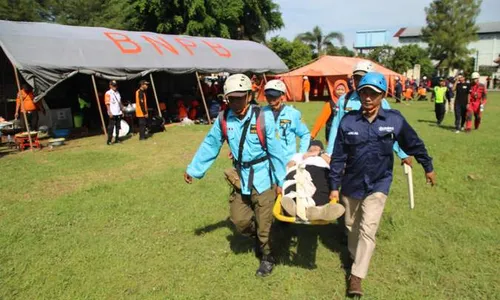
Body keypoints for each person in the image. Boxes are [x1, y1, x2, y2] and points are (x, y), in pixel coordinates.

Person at [329, 72, 436, 296]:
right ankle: (353, 255)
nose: (368, 98)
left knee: (368, 229)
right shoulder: (348, 121)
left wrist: (428, 166)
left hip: (379, 183)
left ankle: (356, 277)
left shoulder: (394, 120)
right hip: (351, 183)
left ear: (382, 96)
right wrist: (333, 187)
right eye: (364, 93)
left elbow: (413, 142)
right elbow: (338, 157)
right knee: (351, 226)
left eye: (373, 94)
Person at [184, 74, 286, 277]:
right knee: (240, 221)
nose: (236, 102)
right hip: (240, 177)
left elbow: (276, 152)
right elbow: (211, 144)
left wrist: (281, 182)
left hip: (263, 177)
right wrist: (194, 169)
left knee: (264, 224)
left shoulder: (263, 118)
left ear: (249, 96)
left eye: (240, 97)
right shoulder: (224, 118)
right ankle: (260, 235)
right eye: (231, 98)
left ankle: (267, 256)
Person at [326, 61, 413, 169]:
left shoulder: (382, 103)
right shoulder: (344, 100)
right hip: (349, 155)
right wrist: (330, 152)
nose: (359, 82)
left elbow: (390, 131)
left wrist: (403, 154)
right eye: (356, 78)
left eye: (363, 78)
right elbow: (336, 126)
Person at [281, 140, 345, 222]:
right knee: (296, 183)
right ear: (308, 148)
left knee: (322, 185)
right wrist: (294, 162)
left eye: (317, 146)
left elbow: (335, 165)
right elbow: (289, 166)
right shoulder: (299, 155)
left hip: (322, 170)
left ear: (322, 149)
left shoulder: (326, 155)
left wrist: (320, 154)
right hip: (303, 168)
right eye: (312, 146)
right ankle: (294, 206)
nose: (314, 147)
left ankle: (317, 210)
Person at [263, 79, 311, 163]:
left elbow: (305, 135)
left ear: (282, 96)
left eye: (274, 96)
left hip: (288, 161)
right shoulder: (260, 113)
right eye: (268, 96)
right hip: (266, 161)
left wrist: (300, 156)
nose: (270, 99)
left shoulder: (293, 114)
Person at [105, 81, 124, 145]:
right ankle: (109, 140)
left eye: (115, 85)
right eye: (113, 85)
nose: (114, 87)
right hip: (112, 113)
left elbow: (120, 102)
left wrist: (122, 110)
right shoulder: (108, 93)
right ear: (110, 85)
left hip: (118, 112)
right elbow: (107, 103)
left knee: (118, 127)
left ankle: (117, 139)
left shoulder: (118, 93)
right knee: (111, 127)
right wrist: (109, 112)